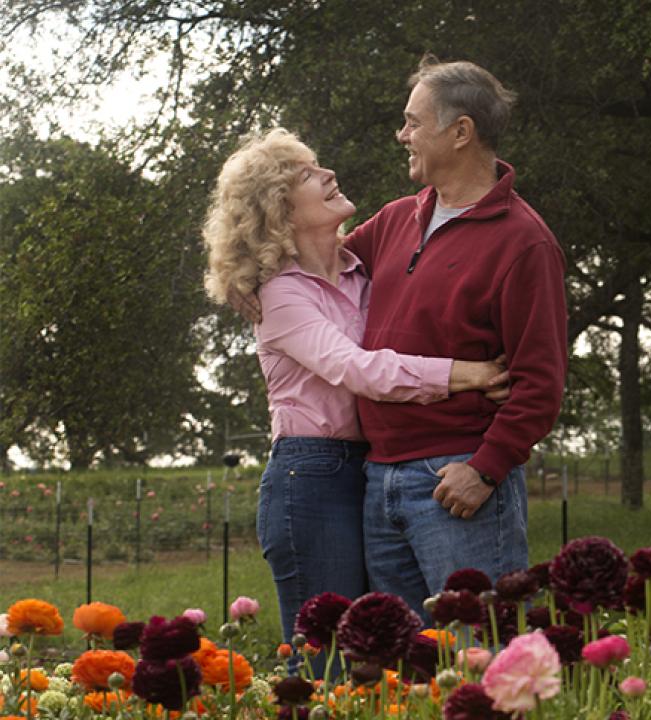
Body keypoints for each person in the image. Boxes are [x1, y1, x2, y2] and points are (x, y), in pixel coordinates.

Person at [202, 128, 510, 645]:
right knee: (325, 653)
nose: (328, 174)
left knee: (380, 646)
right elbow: (360, 369)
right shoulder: (280, 295)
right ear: (278, 210)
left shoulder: (360, 269)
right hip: (311, 476)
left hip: (371, 469)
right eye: (307, 175)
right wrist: (468, 374)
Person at [345, 56, 567, 617]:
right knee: (401, 661)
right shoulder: (394, 219)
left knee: (481, 651)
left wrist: (486, 468)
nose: (402, 136)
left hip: (455, 482)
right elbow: (318, 272)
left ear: (461, 132)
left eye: (413, 122)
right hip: (377, 477)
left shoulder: (525, 243)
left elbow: (540, 384)